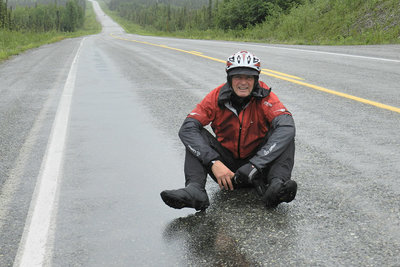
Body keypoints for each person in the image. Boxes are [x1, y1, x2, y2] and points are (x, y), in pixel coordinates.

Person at [160, 51, 297, 211]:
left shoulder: (266, 97)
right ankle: (195, 191)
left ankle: (276, 187)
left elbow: (287, 126)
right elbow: (187, 128)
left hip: (258, 170)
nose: (243, 82)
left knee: (285, 135)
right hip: (227, 171)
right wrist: (213, 162)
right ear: (229, 78)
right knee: (195, 136)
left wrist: (255, 165)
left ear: (256, 79)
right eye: (238, 77)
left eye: (249, 77)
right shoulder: (216, 97)